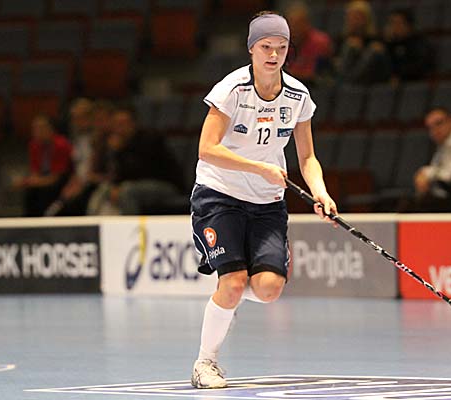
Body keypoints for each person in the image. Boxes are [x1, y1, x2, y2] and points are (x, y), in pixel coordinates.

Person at [190, 11, 337, 389]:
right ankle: (205, 363)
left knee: (269, 289)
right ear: (252, 49)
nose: (274, 54)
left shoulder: (298, 95)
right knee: (234, 282)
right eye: (266, 46)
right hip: (219, 195)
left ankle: (227, 299)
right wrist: (258, 168)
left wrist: (320, 191)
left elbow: (307, 156)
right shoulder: (232, 90)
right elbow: (207, 149)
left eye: (281, 47)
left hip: (267, 203)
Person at [86, 106, 187, 215]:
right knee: (103, 189)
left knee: (127, 191)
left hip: (166, 185)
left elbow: (143, 172)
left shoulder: (149, 139)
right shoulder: (119, 143)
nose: (120, 128)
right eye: (117, 124)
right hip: (134, 185)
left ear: (133, 123)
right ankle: (91, 223)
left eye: (123, 123)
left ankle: (130, 224)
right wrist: (115, 153)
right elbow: (116, 174)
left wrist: (121, 151)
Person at [12, 114, 73, 217]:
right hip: (44, 177)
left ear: (51, 129)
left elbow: (56, 177)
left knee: (44, 192)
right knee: (30, 192)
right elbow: (35, 170)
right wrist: (30, 181)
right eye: (35, 128)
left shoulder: (61, 145)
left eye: (41, 128)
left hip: (62, 179)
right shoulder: (33, 145)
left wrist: (30, 182)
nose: (37, 131)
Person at [334, 0, 392, 85]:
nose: (354, 20)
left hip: (369, 79)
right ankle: (349, 83)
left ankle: (350, 82)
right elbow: (337, 62)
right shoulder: (341, 38)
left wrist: (363, 50)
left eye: (358, 16)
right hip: (345, 76)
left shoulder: (376, 38)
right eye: (351, 17)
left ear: (367, 18)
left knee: (374, 51)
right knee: (349, 48)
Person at [284, 1, 333, 86]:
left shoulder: (321, 42)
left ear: (307, 24)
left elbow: (316, 75)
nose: (293, 28)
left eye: (297, 24)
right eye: (291, 24)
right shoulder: (284, 42)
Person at [383, 8, 434, 81]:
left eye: (398, 23)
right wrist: (387, 43)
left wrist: (399, 76)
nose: (394, 27)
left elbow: (420, 66)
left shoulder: (419, 43)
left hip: (415, 82)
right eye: (391, 23)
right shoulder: (389, 43)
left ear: (408, 25)